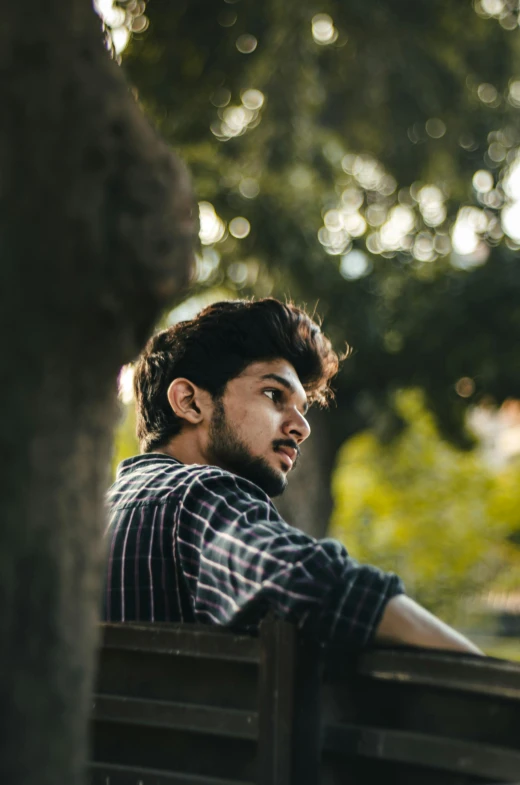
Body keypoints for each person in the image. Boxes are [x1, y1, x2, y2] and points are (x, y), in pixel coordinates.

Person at [104, 298, 481, 654]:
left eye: (303, 408)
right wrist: (493, 683)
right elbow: (308, 582)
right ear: (189, 401)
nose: (302, 428)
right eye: (273, 394)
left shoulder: (95, 515)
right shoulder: (199, 495)